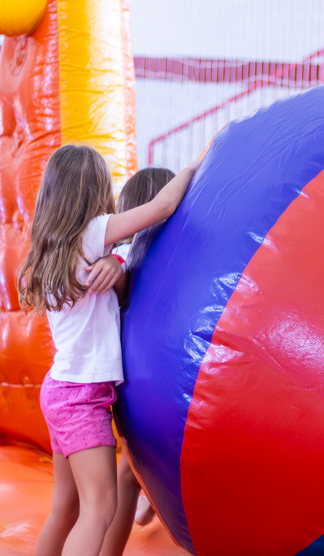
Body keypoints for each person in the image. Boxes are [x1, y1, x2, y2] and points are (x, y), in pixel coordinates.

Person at [18, 145, 203, 556]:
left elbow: (116, 285)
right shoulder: (92, 232)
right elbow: (162, 207)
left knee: (65, 508)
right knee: (100, 507)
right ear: (93, 191)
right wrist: (195, 165)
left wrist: (117, 264)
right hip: (82, 397)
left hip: (59, 390)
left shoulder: (52, 248)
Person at [100, 167, 175, 556]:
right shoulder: (166, 256)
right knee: (130, 472)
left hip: (128, 386)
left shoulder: (124, 255)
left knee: (129, 472)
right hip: (158, 383)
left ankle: (146, 504)